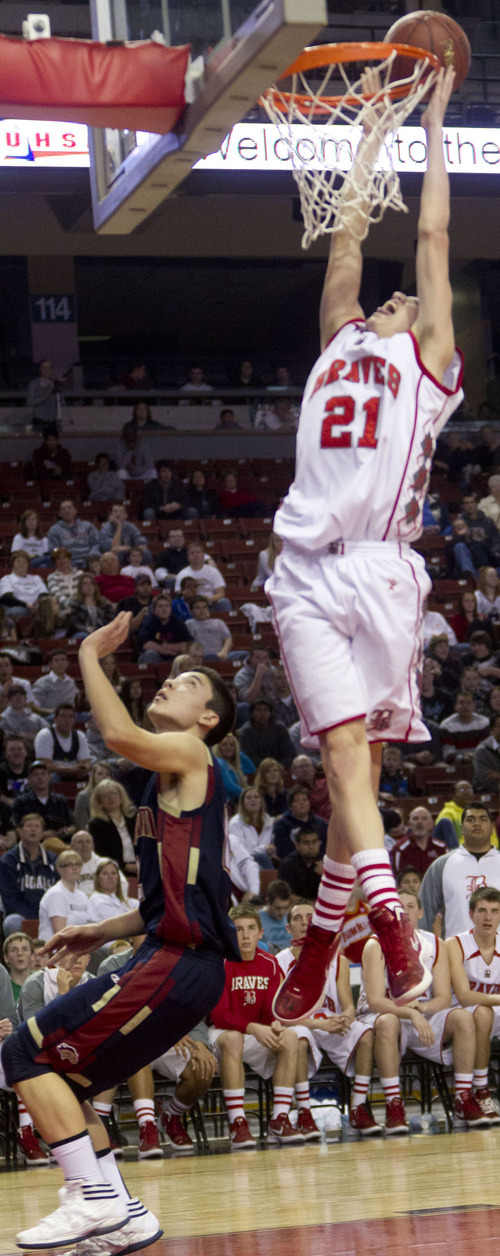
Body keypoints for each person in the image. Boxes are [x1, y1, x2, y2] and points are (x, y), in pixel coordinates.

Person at [269, 67, 463, 1024]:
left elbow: (429, 236)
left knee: (366, 777)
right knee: (343, 755)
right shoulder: (338, 340)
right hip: (307, 571)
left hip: (387, 571)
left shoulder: (428, 362)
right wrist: (371, 128)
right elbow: (348, 236)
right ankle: (388, 928)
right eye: (379, 300)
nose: (388, 299)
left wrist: (432, 123)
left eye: (404, 301)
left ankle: (318, 939)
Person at [0, 609, 237, 1252]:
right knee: (64, 1079)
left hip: (178, 962)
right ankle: (124, 1212)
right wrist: (99, 930)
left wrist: (85, 654)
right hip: (173, 954)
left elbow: (113, 729)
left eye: (188, 683)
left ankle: (91, 1201)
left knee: (22, 1052)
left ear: (207, 719)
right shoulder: (163, 789)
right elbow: (164, 903)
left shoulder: (191, 752)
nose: (170, 682)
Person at [359, 889, 486, 1130]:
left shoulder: (435, 943)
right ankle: (393, 1105)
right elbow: (375, 1000)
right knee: (388, 1022)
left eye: (410, 906)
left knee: (463, 1018)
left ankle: (463, 1098)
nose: (404, 912)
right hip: (382, 1015)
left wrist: (423, 1008)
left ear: (420, 912)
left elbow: (444, 997)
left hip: (422, 1015)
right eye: (398, 907)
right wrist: (412, 1013)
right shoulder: (375, 945)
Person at [207, 902, 306, 1148]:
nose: (246, 935)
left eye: (251, 928)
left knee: (291, 1038)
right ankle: (237, 1122)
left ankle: (280, 1118)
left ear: (261, 933)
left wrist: (273, 1024)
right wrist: (253, 1028)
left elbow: (270, 1010)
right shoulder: (219, 962)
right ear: (230, 933)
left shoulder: (271, 963)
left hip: (253, 1032)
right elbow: (220, 1016)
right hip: (222, 1033)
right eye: (239, 929)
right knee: (233, 1038)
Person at [277, 899, 378, 1136]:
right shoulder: (279, 962)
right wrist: (318, 1023)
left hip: (330, 1022)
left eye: (310, 918)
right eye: (297, 919)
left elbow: (348, 1006)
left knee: (365, 1032)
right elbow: (280, 1016)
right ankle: (304, 1111)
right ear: (288, 928)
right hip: (300, 1024)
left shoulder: (338, 961)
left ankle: (358, 1107)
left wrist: (346, 1018)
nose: (304, 923)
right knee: (299, 1038)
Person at [447, 886, 500, 1123]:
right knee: (483, 1013)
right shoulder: (455, 943)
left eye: (494, 911)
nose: (488, 917)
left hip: (492, 1009)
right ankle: (481, 1090)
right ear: (471, 914)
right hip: (461, 1013)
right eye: (482, 911)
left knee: (486, 1011)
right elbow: (465, 995)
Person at [420, 804, 500, 936]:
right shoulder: (442, 865)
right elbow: (423, 912)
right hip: (456, 953)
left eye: (483, 819)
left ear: (492, 828)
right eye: (471, 819)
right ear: (462, 829)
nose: (477, 823)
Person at [0, 812, 58, 934]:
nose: (33, 829)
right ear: (20, 832)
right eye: (29, 826)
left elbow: (59, 894)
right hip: (21, 916)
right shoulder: (8, 860)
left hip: (48, 915)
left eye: (37, 826)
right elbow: (10, 898)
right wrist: (34, 920)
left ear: (42, 833)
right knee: (12, 922)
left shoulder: (54, 860)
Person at [11, 759, 74, 839]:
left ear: (49, 777)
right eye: (35, 775)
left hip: (59, 842)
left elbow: (72, 825)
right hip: (32, 843)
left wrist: (64, 832)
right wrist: (40, 835)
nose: (40, 777)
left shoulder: (60, 800)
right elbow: (16, 827)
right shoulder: (21, 802)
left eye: (43, 774)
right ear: (29, 780)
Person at [38, 850, 89, 942]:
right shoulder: (56, 894)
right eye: (69, 864)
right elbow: (61, 933)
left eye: (77, 864)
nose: (74, 868)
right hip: (54, 949)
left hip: (78, 946)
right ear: (60, 870)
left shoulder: (82, 896)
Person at [88, 779, 137, 875]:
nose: (110, 798)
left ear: (121, 796)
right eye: (105, 796)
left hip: (141, 867)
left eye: (113, 794)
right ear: (99, 801)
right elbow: (102, 855)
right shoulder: (97, 825)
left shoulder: (134, 818)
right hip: (115, 871)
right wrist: (127, 867)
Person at [33, 702, 91, 781]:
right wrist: (69, 770)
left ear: (74, 720)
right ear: (55, 719)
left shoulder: (80, 735)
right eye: (63, 716)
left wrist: (83, 769)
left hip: (73, 773)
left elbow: (86, 761)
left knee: (91, 776)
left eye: (70, 716)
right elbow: (44, 765)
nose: (67, 720)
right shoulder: (45, 735)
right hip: (54, 774)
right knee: (53, 777)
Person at [272, 784, 328, 863]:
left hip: (319, 865)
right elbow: (283, 852)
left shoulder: (321, 824)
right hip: (292, 867)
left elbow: (327, 849)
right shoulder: (282, 825)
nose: (302, 803)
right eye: (297, 801)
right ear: (291, 806)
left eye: (305, 800)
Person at [390, 807, 448, 879]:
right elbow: (397, 879)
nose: (419, 822)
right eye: (415, 819)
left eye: (424, 818)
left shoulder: (442, 848)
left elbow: (449, 875)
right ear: (409, 824)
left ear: (431, 824)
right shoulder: (399, 849)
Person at [185, 595, 247, 661]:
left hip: (220, 654)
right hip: (202, 656)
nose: (201, 610)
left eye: (204, 607)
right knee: (212, 657)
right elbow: (188, 644)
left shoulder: (218, 622)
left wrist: (224, 652)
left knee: (245, 654)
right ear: (191, 611)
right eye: (197, 608)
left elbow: (228, 640)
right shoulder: (189, 624)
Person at [137, 592, 192, 664]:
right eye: (160, 606)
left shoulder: (178, 622)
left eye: (167, 606)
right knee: (150, 654)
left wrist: (168, 646)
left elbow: (187, 644)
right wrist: (166, 651)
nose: (164, 609)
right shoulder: (149, 621)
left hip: (173, 657)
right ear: (154, 610)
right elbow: (146, 645)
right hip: (156, 656)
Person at [238, 699, 294, 770]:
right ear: (252, 713)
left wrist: (281, 765)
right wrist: (269, 767)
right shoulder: (246, 731)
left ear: (270, 713)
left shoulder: (280, 728)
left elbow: (289, 752)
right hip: (257, 770)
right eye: (258, 710)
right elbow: (248, 756)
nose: (262, 713)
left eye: (265, 710)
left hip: (281, 768)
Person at [175, 542, 232, 612]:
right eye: (192, 553)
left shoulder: (213, 571)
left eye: (198, 552)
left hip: (211, 604)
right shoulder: (182, 574)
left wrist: (210, 599)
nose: (195, 555)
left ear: (203, 556)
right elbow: (180, 593)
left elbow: (221, 593)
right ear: (188, 558)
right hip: (192, 607)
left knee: (224, 602)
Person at [47, 501, 100, 570]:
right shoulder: (54, 530)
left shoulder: (88, 526)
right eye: (63, 509)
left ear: (75, 511)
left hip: (88, 560)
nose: (67, 510)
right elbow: (53, 550)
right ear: (59, 514)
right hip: (67, 562)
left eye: (69, 508)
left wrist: (92, 555)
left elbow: (96, 544)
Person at [228, 786, 274, 865]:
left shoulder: (268, 820)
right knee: (261, 857)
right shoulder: (235, 823)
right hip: (243, 864)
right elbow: (239, 852)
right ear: (242, 803)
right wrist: (263, 849)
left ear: (261, 802)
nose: (253, 800)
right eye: (248, 798)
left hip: (267, 860)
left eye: (256, 797)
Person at [87, 859, 138, 925]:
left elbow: (142, 906)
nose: (110, 877)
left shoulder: (121, 899)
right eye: (105, 874)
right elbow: (122, 921)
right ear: (98, 878)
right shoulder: (97, 899)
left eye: (113, 873)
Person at [278, 829, 323, 902]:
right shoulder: (288, 864)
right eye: (306, 843)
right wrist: (310, 905)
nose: (311, 847)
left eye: (314, 842)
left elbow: (336, 891)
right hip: (295, 908)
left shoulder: (326, 862)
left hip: (323, 907)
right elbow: (286, 894)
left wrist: (324, 875)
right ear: (297, 846)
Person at [68, 574, 115, 639]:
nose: (88, 586)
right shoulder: (74, 603)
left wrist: (101, 630)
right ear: (80, 587)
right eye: (85, 583)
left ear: (95, 586)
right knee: (86, 637)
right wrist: (86, 628)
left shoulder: (104, 603)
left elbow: (110, 620)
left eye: (91, 583)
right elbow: (74, 623)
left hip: (102, 631)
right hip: (82, 632)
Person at [32, 650, 79, 714]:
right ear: (50, 664)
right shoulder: (41, 683)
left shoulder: (71, 681)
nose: (60, 663)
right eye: (56, 660)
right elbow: (34, 707)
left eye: (63, 660)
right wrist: (54, 712)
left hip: (70, 716)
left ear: (67, 663)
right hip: (51, 716)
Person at [214, 732, 254, 804]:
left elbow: (251, 769)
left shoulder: (234, 765)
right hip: (226, 803)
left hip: (236, 801)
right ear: (219, 747)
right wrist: (248, 795)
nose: (228, 747)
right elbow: (230, 786)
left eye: (232, 745)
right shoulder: (219, 763)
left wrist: (238, 752)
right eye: (224, 745)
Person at [73, 762, 114, 832]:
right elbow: (82, 826)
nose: (104, 777)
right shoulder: (83, 797)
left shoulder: (116, 796)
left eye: (107, 774)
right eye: (100, 774)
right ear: (93, 776)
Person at [290, 755, 330, 821]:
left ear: (314, 768)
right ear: (293, 771)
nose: (304, 769)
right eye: (300, 767)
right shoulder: (295, 793)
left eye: (307, 765)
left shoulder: (326, 784)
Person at [259, 880, 292, 955]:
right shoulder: (257, 919)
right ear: (268, 902)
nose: (282, 912)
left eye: (285, 907)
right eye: (278, 908)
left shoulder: (292, 916)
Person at [3, 928, 35, 1002]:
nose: (20, 954)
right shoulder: (3, 987)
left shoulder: (42, 982)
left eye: (25, 949)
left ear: (32, 955)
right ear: (6, 958)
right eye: (14, 950)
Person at [46, 547, 80, 613]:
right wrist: (69, 605)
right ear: (55, 562)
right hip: (63, 609)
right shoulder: (52, 577)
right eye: (58, 559)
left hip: (81, 607)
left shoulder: (79, 574)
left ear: (69, 560)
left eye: (65, 557)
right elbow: (57, 595)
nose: (62, 561)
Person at [26, 361, 59, 429]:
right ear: (40, 369)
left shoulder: (53, 383)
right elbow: (30, 402)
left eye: (48, 368)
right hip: (40, 419)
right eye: (44, 368)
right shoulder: (34, 383)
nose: (46, 370)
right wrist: (46, 395)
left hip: (52, 419)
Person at [473, 714, 500, 793]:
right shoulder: (482, 751)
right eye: (498, 726)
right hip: (486, 794)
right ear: (491, 730)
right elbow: (488, 781)